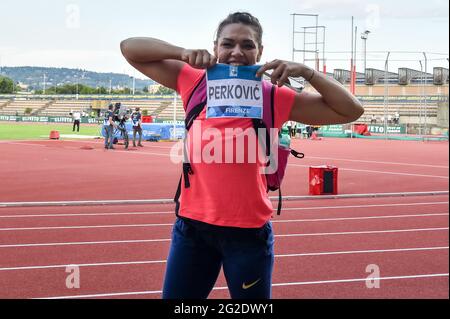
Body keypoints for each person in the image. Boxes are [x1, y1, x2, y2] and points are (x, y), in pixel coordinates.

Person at [121, 11, 363, 299]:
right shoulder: (192, 80)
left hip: (248, 233)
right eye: (228, 44)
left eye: (247, 45)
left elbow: (351, 110)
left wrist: (308, 73)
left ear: (260, 51)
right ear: (215, 48)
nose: (237, 52)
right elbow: (129, 48)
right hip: (193, 229)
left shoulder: (274, 93)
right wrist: (182, 52)